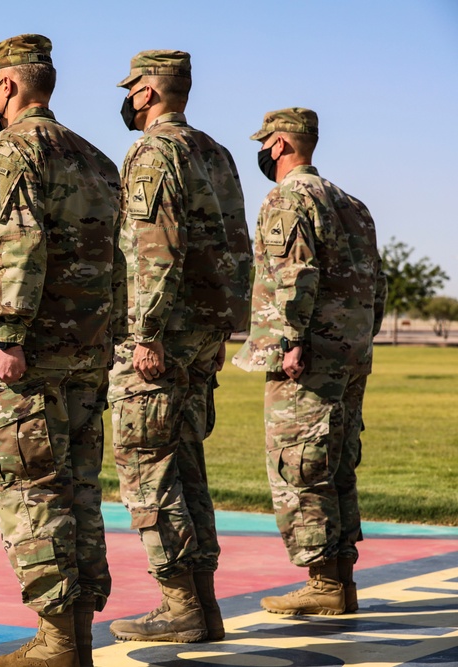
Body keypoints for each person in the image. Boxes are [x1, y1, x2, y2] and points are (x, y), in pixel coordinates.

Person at [0, 34, 125, 667]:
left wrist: (8, 335)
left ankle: (57, 643)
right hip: (88, 351)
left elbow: (17, 244)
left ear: (6, 86)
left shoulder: (11, 149)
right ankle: (73, 639)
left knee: (29, 488)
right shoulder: (98, 160)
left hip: (32, 353)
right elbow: (120, 262)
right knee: (80, 488)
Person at [107, 50, 251, 644]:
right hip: (199, 336)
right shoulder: (215, 152)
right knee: (186, 466)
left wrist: (146, 332)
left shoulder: (153, 151)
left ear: (145, 93)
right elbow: (240, 250)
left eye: (131, 90)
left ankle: (179, 604)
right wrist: (220, 332)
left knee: (147, 465)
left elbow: (155, 248)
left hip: (161, 338)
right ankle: (204, 606)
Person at [233, 108, 386, 616]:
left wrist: (292, 339)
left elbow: (294, 272)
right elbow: (376, 283)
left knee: (301, 464)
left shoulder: (287, 198)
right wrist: (360, 338)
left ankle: (322, 584)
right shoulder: (353, 204)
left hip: (309, 354)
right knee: (338, 463)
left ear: (278, 145)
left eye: (265, 145)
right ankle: (340, 580)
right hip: (350, 351)